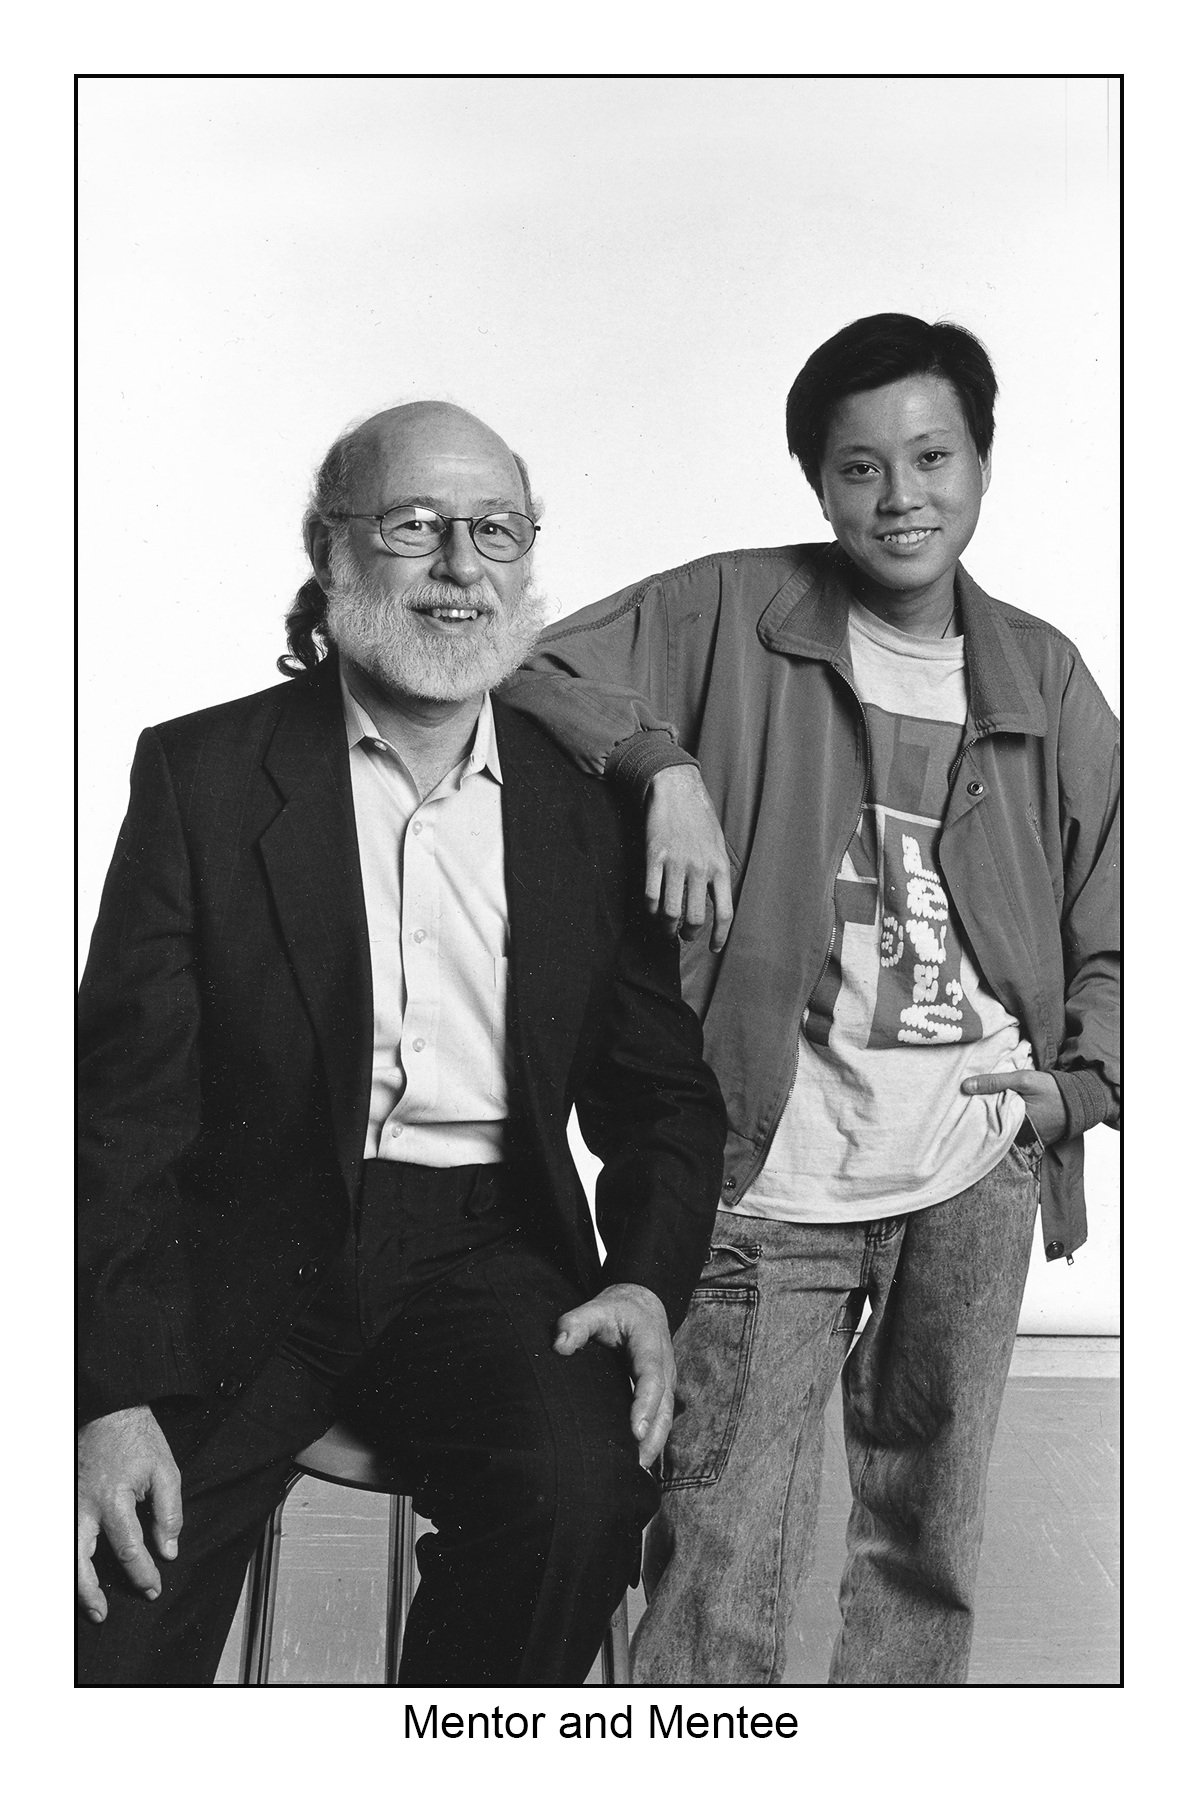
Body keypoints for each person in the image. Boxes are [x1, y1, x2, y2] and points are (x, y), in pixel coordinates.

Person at [500, 314, 1120, 1684]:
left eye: (932, 458)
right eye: (859, 467)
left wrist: (1076, 1091)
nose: (901, 497)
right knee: (718, 1560)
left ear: (983, 462)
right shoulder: (729, 609)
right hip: (764, 1177)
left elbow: (1124, 913)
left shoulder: (1046, 674)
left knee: (926, 1557)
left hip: (971, 1172)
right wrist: (660, 764)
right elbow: (531, 673)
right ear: (817, 483)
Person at [76, 400, 725, 1686]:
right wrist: (105, 1393)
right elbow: (118, 1113)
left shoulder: (588, 812)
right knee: (105, 1605)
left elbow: (665, 1101)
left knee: (576, 1505)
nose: (460, 567)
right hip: (236, 1249)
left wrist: (646, 1281)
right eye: (414, 526)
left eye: (496, 530)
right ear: (331, 551)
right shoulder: (204, 775)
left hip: (488, 1250)